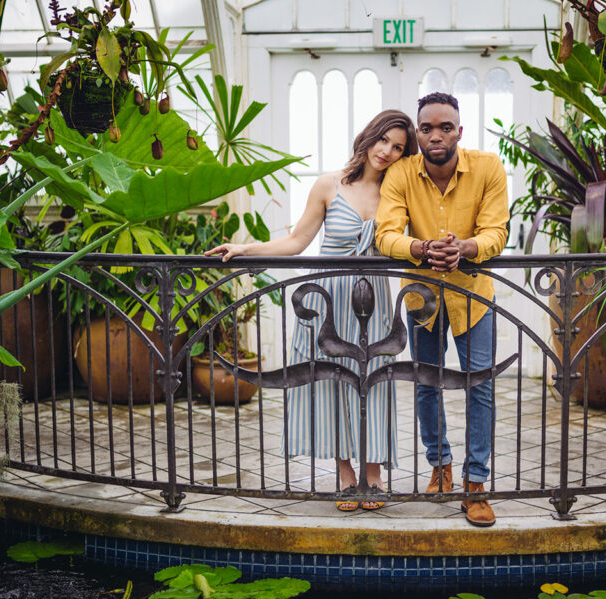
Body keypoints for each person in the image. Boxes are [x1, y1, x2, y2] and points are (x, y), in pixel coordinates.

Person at [205, 110, 417, 512]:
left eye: (398, 147)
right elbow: (298, 241)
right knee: (331, 382)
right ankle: (345, 474)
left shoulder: (398, 191)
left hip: (375, 300)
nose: (387, 151)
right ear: (368, 137)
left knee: (377, 378)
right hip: (328, 302)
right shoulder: (328, 185)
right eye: (383, 140)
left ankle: (374, 471)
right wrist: (245, 249)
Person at [375, 92, 509, 527]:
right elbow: (386, 234)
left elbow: (496, 231)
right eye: (427, 128)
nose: (436, 135)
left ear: (459, 131)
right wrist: (420, 247)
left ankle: (476, 483)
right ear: (418, 132)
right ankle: (441, 468)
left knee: (480, 386)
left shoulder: (487, 167)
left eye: (445, 127)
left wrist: (466, 249)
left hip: (473, 294)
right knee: (426, 384)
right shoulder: (400, 173)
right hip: (422, 297)